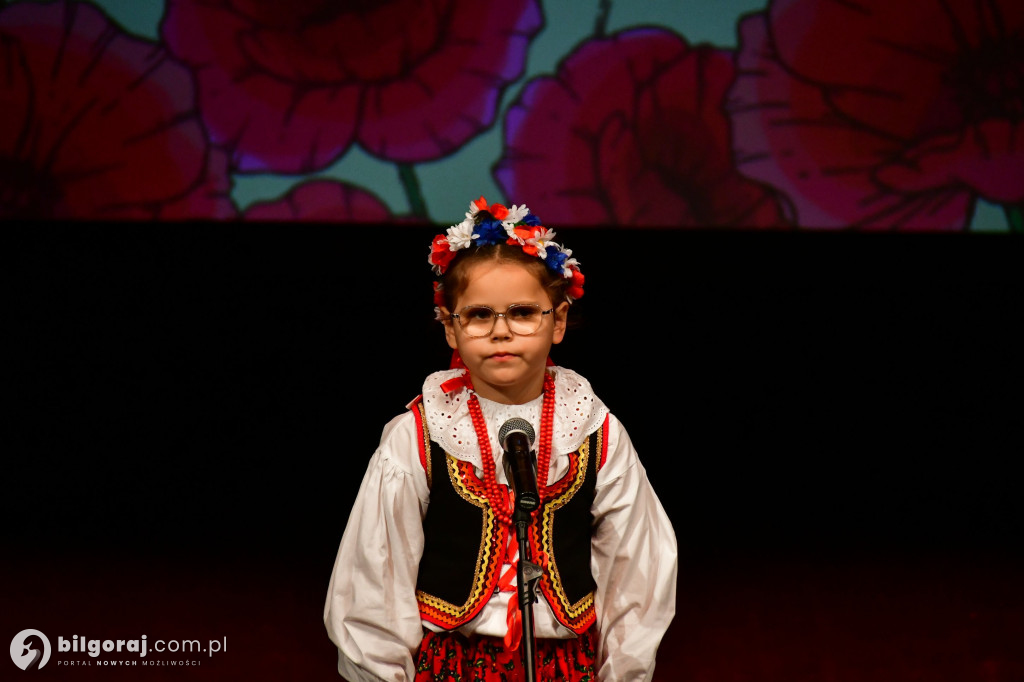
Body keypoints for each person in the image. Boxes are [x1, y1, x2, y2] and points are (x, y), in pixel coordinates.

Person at [324, 196, 677, 681]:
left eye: (523, 312)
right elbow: (373, 578)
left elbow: (637, 570)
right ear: (450, 328)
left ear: (557, 322)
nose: (501, 331)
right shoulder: (419, 434)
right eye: (479, 315)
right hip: (451, 666)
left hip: (562, 668)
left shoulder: (595, 431)